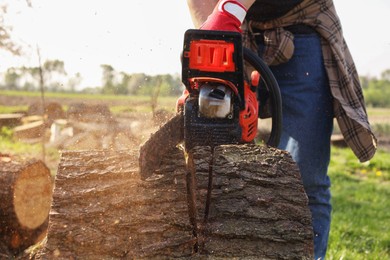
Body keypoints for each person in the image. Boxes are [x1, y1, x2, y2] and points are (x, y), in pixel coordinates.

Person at [185, 0, 377, 259]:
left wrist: (228, 11)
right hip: (243, 29)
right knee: (215, 171)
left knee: (305, 176)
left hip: (302, 24)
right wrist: (215, 36)